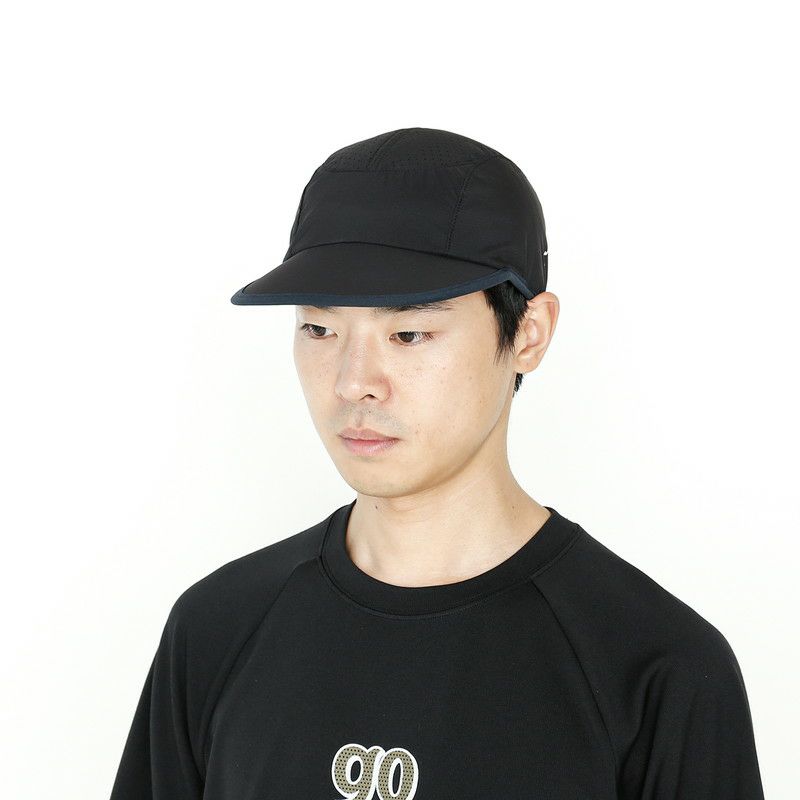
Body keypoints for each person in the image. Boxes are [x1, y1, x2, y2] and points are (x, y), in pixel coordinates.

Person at [109, 127, 765, 799]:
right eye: (319, 329)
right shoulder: (216, 629)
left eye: (408, 333)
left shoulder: (655, 670)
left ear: (529, 333)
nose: (354, 382)